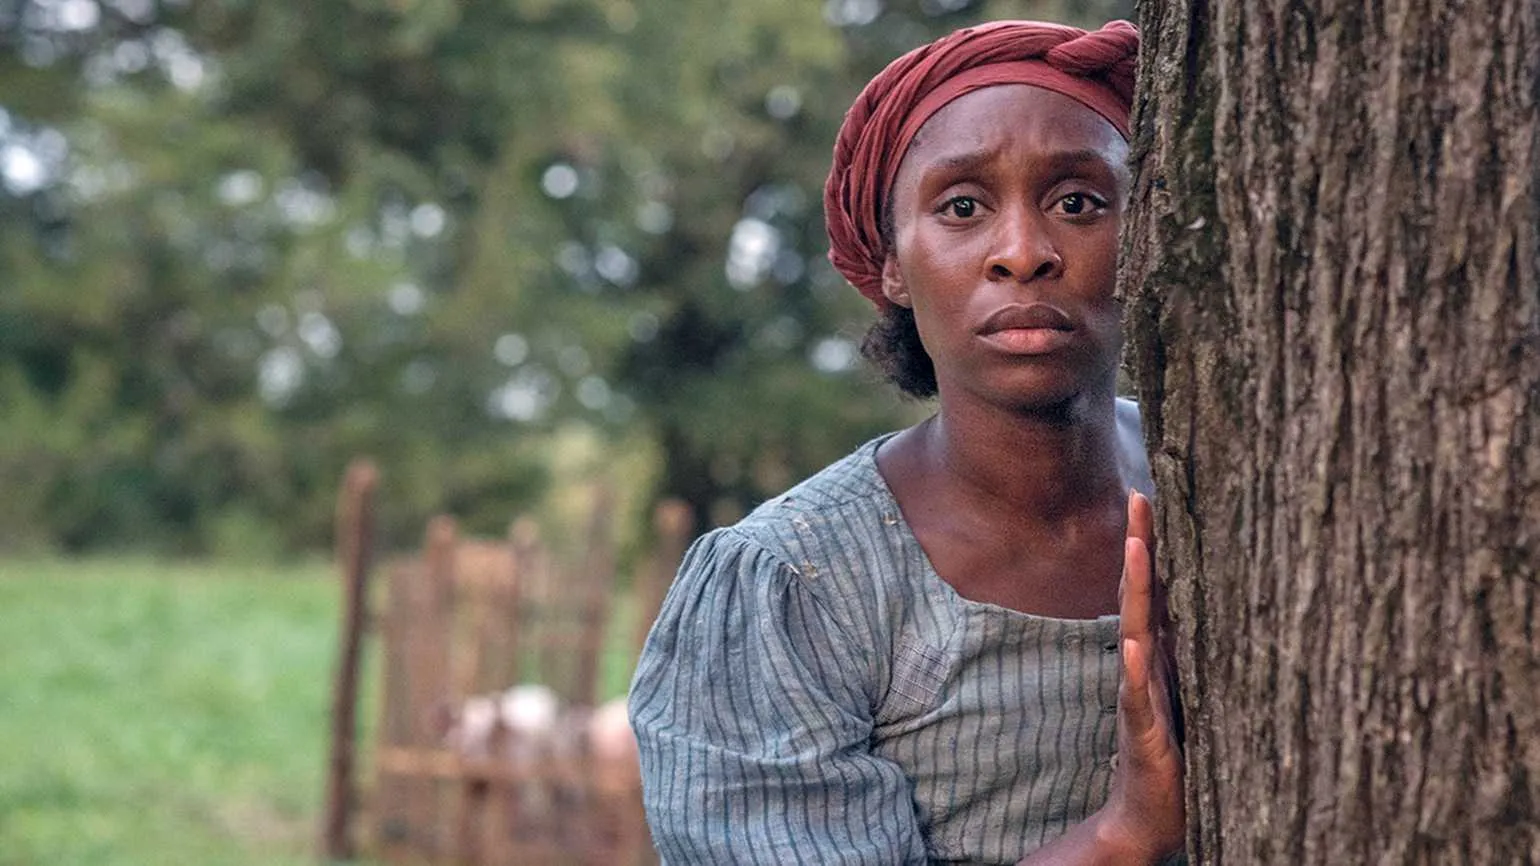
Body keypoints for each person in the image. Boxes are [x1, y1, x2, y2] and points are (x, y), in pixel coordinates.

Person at [629, 19, 1185, 865]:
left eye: (1078, 202)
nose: (1023, 253)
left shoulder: (1211, 485)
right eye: (962, 207)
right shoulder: (792, 587)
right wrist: (1125, 834)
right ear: (891, 261)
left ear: (1141, 233)